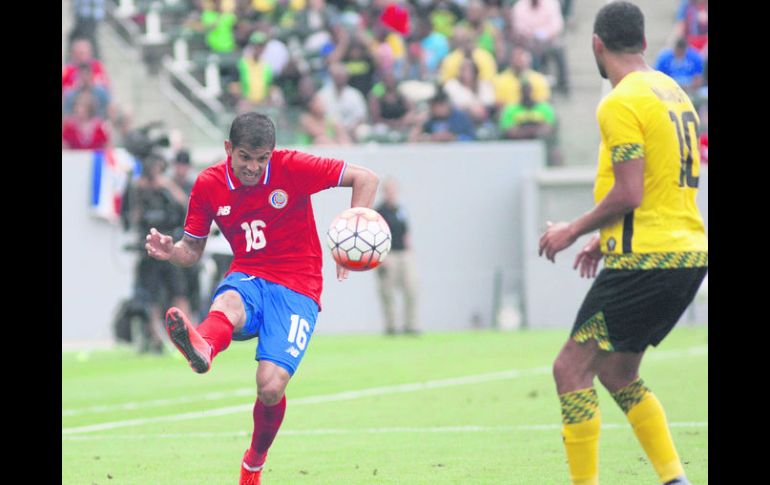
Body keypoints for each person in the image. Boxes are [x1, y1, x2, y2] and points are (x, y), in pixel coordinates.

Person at [144, 112, 379, 485]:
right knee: (229, 303)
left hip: (299, 286)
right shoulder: (208, 184)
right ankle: (202, 348)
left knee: (270, 387)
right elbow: (191, 251)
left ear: (272, 153)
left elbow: (365, 178)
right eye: (245, 158)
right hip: (249, 274)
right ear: (228, 150)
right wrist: (170, 250)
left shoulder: (293, 166)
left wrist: (354, 231)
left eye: (261, 159)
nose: (253, 167)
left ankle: (253, 463)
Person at [538, 3, 707, 485]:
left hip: (646, 260)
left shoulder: (619, 100)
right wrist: (605, 237)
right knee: (617, 373)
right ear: (644, 41)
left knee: (570, 369)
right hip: (688, 253)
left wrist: (574, 230)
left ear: (596, 44)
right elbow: (657, 187)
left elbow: (630, 191)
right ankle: (675, 479)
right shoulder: (675, 93)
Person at [126, 153, 192, 353]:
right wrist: (140, 187)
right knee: (150, 295)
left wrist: (166, 185)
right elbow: (134, 217)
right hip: (150, 248)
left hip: (171, 245)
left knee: (179, 292)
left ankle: (188, 338)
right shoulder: (139, 188)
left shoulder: (170, 187)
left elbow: (185, 206)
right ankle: (155, 339)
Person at [375, 178, 418, 335]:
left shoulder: (401, 211)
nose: (391, 194)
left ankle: (411, 325)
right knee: (388, 293)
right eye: (389, 191)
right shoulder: (379, 212)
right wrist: (380, 257)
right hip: (388, 255)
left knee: (411, 289)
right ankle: (391, 327)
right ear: (384, 193)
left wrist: (410, 251)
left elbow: (406, 232)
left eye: (394, 191)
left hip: (403, 254)